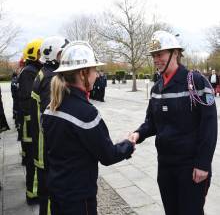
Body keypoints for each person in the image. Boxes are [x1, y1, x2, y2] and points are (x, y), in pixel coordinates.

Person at [129, 30, 217, 215]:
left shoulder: (197, 82)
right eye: (153, 55)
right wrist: (138, 134)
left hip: (191, 167)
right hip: (166, 165)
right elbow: (151, 122)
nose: (155, 59)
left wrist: (203, 164)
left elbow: (209, 127)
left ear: (175, 53)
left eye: (160, 54)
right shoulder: (157, 87)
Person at [42, 41, 135, 215]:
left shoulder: (51, 107)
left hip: (57, 191)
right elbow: (108, 155)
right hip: (78, 198)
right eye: (94, 70)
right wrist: (128, 144)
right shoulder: (86, 113)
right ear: (83, 73)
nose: (97, 75)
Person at [30, 36, 69, 215]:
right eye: (63, 52)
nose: (66, 56)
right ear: (53, 54)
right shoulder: (51, 79)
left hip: (42, 141)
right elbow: (53, 116)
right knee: (50, 194)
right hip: (46, 146)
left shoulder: (44, 73)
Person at [17, 38, 43, 205]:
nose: (43, 55)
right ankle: (32, 195)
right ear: (33, 53)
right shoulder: (29, 71)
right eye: (40, 52)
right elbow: (27, 100)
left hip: (31, 122)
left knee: (33, 158)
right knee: (33, 160)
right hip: (30, 123)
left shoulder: (32, 69)